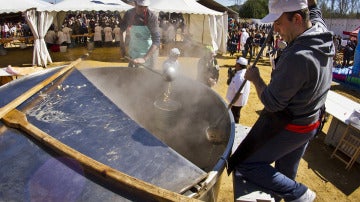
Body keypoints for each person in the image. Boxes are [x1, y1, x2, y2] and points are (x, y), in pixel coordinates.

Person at [227, 0, 334, 202]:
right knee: (284, 175)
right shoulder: (320, 30)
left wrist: (256, 78)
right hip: (311, 120)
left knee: (245, 163)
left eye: (278, 22)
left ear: (297, 19)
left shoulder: (298, 56)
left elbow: (272, 103)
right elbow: (314, 8)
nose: (275, 29)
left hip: (293, 127)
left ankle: (299, 193)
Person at [120, 0, 161, 68]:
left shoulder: (151, 17)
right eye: (141, 7)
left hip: (148, 53)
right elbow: (122, 31)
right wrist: (122, 47)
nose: (144, 9)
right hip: (133, 51)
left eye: (146, 7)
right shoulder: (129, 14)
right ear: (135, 4)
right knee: (132, 75)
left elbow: (156, 41)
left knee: (148, 76)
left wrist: (144, 58)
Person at [226, 57, 250, 123]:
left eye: (236, 64)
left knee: (234, 117)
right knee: (235, 114)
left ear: (239, 65)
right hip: (237, 102)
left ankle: (235, 127)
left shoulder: (240, 77)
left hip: (236, 102)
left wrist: (231, 103)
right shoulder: (244, 72)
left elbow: (239, 93)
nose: (235, 65)